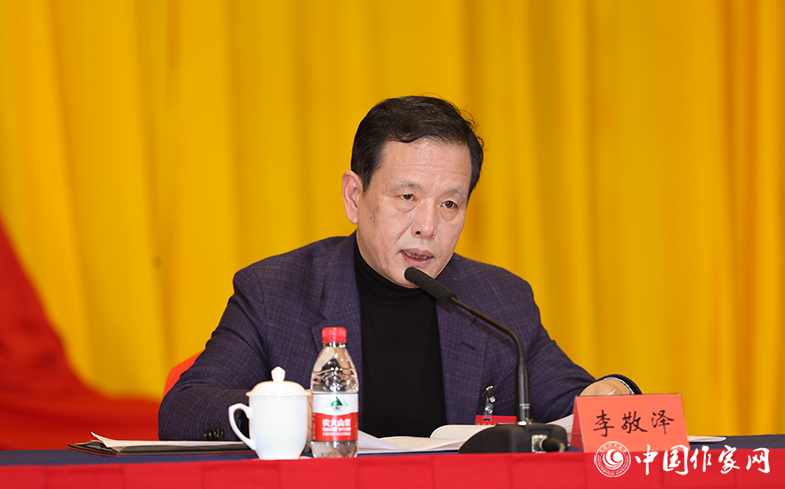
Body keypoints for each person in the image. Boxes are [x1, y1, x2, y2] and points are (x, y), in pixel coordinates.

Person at [158, 96, 639, 441]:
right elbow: (183, 409)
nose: (428, 226)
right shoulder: (276, 292)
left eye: (449, 204)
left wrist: (617, 392)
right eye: (407, 197)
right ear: (354, 196)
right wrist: (276, 412)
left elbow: (577, 400)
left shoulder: (498, 299)